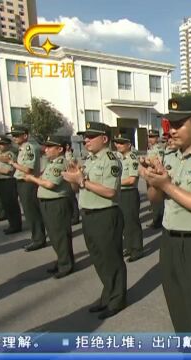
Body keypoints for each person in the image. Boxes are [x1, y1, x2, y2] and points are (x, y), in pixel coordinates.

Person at [141, 97, 191, 332]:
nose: (172, 130)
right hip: (169, 241)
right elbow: (155, 200)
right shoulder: (169, 157)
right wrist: (152, 181)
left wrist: (167, 185)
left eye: (178, 125)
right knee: (177, 306)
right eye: (170, 125)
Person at [62, 121, 126, 320]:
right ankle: (107, 294)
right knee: (98, 259)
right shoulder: (88, 160)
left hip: (105, 215)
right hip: (88, 214)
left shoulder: (111, 159)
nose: (86, 140)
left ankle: (117, 299)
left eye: (91, 136)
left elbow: (110, 191)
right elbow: (78, 189)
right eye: (85, 137)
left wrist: (82, 181)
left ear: (104, 139)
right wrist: (75, 179)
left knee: (111, 259)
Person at [24, 135, 74, 278]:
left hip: (57, 203)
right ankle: (61, 261)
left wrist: (32, 178)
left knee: (60, 235)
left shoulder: (60, 163)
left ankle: (66, 265)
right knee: (54, 235)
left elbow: (50, 184)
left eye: (50, 147)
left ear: (59, 149)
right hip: (48, 202)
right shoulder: (52, 162)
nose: (46, 149)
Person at [5, 125, 46, 249]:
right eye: (13, 135)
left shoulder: (28, 148)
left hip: (27, 183)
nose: (14, 137)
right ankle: (36, 237)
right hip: (22, 182)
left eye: (17, 135)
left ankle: (39, 239)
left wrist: (11, 163)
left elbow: (27, 169)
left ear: (25, 135)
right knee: (29, 212)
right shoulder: (22, 148)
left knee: (32, 211)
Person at [113, 134, 144, 262]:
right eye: (117, 143)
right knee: (124, 223)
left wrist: (114, 183)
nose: (118, 145)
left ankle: (137, 249)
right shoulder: (120, 158)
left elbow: (132, 179)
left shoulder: (132, 159)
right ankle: (129, 246)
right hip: (121, 193)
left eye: (121, 143)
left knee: (132, 222)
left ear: (129, 144)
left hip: (129, 194)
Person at [147, 129, 165, 229]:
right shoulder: (151, 149)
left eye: (153, 137)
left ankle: (158, 220)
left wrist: (149, 162)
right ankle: (156, 218)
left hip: (156, 175)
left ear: (157, 138)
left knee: (157, 200)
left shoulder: (159, 149)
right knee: (153, 200)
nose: (150, 139)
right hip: (150, 175)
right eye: (149, 137)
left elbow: (159, 163)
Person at [64, 141, 81, 225]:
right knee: (69, 198)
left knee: (72, 198)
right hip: (66, 178)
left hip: (71, 177)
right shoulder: (65, 154)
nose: (66, 146)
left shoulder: (70, 155)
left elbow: (72, 164)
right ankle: (73, 216)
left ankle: (75, 216)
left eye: (67, 145)